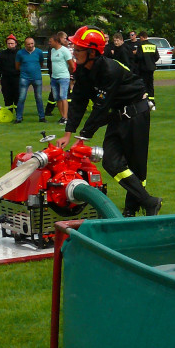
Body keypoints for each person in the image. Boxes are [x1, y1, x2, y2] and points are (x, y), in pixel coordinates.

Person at [57, 27, 162, 217]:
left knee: (137, 166)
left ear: (92, 52)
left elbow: (100, 107)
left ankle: (131, 209)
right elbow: (78, 102)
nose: (74, 52)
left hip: (136, 114)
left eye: (78, 49)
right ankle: (149, 201)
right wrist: (68, 133)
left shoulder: (110, 70)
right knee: (111, 162)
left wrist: (84, 136)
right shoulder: (81, 71)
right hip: (117, 115)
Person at [15, 37, 46, 123]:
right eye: (28, 44)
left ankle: (42, 117)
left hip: (37, 77)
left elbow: (41, 63)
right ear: (25, 45)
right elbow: (17, 66)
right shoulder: (20, 53)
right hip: (24, 78)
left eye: (32, 43)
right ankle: (19, 118)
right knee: (21, 98)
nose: (30, 45)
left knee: (39, 97)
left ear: (34, 43)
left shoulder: (39, 52)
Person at [48, 32, 74, 124]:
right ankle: (62, 116)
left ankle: (66, 117)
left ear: (56, 41)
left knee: (63, 97)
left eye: (50, 41)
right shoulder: (52, 51)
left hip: (63, 77)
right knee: (57, 98)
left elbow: (71, 65)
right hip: (54, 77)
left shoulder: (64, 50)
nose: (49, 43)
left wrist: (69, 73)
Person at [0, 35, 20, 112]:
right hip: (6, 79)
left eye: (12, 43)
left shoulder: (20, 53)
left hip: (17, 78)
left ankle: (19, 115)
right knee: (7, 97)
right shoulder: (2, 54)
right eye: (8, 43)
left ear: (15, 43)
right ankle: (9, 114)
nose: (10, 45)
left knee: (17, 97)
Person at [135, 31, 160, 110]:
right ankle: (153, 103)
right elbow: (157, 57)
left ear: (142, 37)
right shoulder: (153, 45)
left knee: (144, 85)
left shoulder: (140, 46)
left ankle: (147, 102)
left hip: (143, 68)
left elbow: (139, 57)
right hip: (151, 68)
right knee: (150, 85)